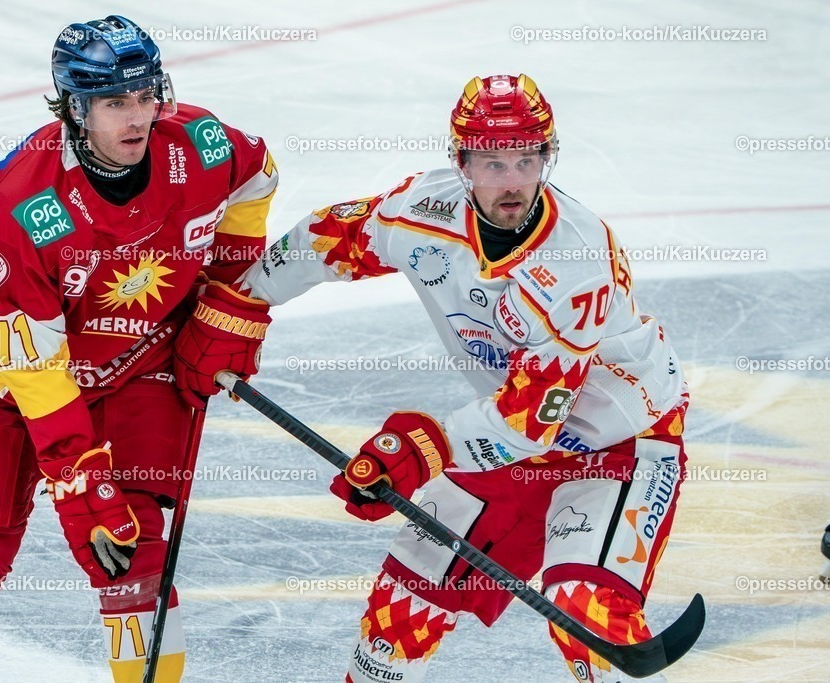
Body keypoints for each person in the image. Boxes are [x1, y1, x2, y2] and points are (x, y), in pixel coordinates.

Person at [235, 74, 688, 682]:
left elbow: (532, 421)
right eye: (493, 162)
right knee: (404, 603)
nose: (513, 181)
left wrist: (426, 448)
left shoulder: (577, 263)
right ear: (462, 161)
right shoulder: (425, 209)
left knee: (587, 617)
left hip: (622, 444)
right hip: (511, 440)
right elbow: (334, 235)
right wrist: (237, 303)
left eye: (528, 159)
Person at [0, 15, 277, 682]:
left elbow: (259, 178)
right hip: (10, 380)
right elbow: (37, 369)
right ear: (74, 108)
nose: (137, 117)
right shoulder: (24, 200)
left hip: (138, 365)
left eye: (145, 96)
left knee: (136, 561)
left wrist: (225, 294)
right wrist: (81, 478)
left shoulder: (202, 144)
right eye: (114, 103)